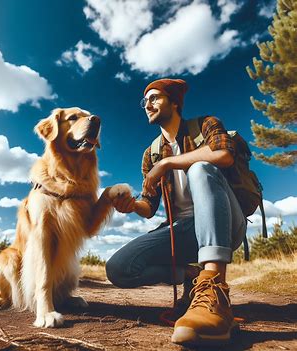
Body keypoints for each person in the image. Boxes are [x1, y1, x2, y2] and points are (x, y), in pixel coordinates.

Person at [105, 78, 247, 346]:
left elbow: (223, 154)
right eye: (145, 101)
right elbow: (149, 206)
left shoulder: (205, 124)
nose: (148, 104)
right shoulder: (151, 154)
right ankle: (192, 276)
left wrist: (170, 163)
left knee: (200, 168)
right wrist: (131, 205)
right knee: (118, 269)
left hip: (226, 224)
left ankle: (215, 290)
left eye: (155, 98)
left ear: (175, 102)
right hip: (183, 230)